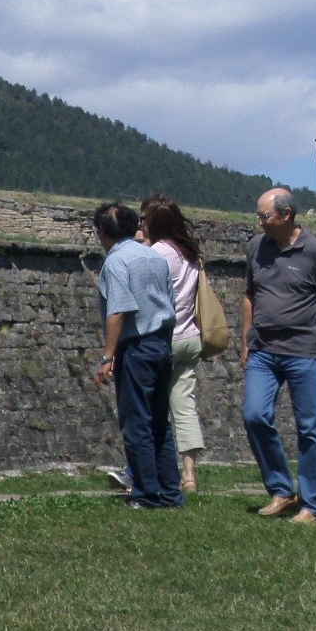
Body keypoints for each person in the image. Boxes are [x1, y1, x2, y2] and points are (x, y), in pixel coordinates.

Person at [242, 187, 316, 524]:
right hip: (263, 350)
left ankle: (312, 504)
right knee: (254, 415)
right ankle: (281, 490)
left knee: (310, 428)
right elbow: (250, 295)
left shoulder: (314, 250)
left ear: (286, 215)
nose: (259, 222)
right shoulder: (256, 247)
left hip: (303, 352)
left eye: (264, 216)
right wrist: (246, 340)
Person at [90, 203, 184, 509]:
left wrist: (107, 356)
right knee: (159, 423)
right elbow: (171, 306)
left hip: (136, 347)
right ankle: (171, 492)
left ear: (102, 232)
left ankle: (146, 493)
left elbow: (118, 310)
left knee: (136, 423)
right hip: (161, 344)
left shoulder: (116, 263)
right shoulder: (155, 258)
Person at [140, 194, 207, 492]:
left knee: (150, 406)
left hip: (164, 339)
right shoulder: (191, 254)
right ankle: (189, 475)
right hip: (191, 337)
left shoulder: (156, 254)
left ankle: (144, 471)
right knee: (184, 406)